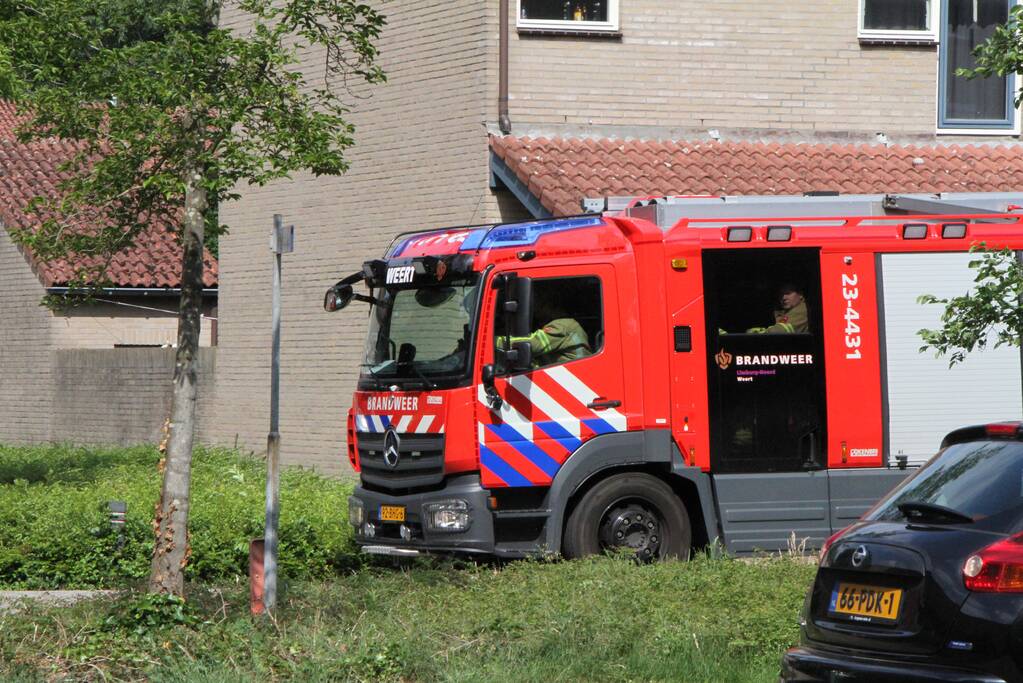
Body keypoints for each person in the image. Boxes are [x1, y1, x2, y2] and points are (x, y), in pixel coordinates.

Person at [502, 295, 592, 367]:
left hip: (575, 376)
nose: (537, 311)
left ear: (552, 306)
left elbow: (532, 345)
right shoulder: (568, 324)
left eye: (541, 306)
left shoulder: (563, 325)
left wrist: (496, 341)